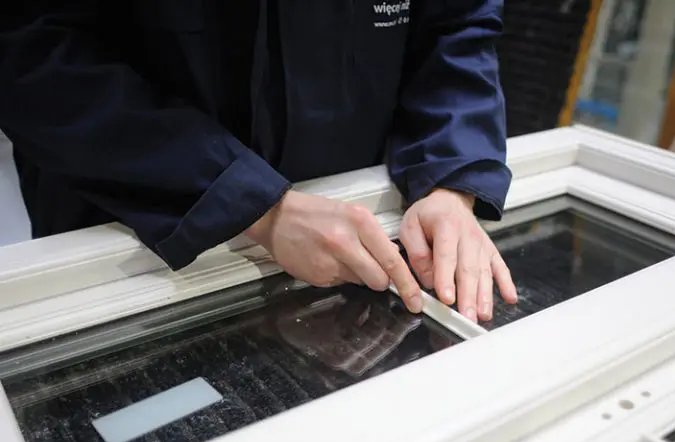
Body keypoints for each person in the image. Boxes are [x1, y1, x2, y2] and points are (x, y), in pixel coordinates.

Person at [0, 1, 518, 323]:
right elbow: (31, 51)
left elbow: (456, 25)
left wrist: (451, 181)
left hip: (342, 241)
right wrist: (249, 203)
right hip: (133, 233)